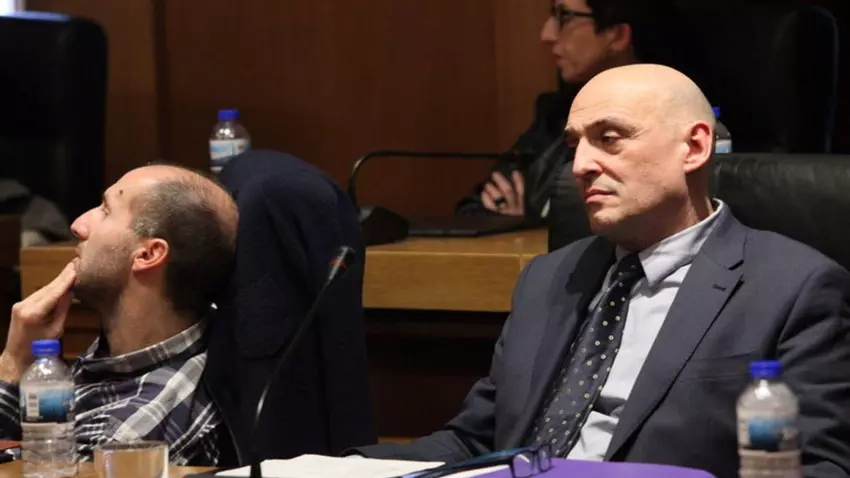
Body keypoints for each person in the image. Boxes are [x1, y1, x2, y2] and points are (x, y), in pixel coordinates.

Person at [353, 65, 850, 478]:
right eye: (575, 144)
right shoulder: (548, 278)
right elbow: (477, 442)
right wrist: (340, 468)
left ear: (695, 147)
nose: (580, 165)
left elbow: (819, 467)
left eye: (609, 139)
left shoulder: (793, 288)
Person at [0, 164, 238, 466]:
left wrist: (12, 363)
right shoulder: (126, 354)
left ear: (148, 254)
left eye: (105, 211)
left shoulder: (128, 434)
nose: (77, 225)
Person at [455, 0, 669, 219]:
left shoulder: (664, 123)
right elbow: (478, 205)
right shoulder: (554, 116)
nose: (546, 34)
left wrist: (532, 228)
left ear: (618, 35)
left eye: (565, 17)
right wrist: (514, 225)